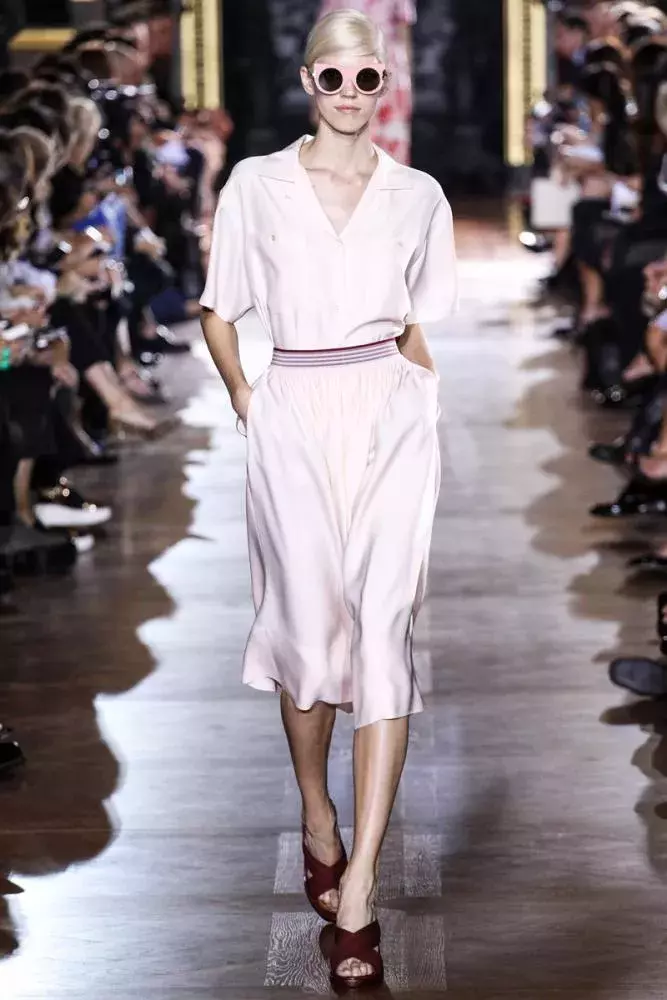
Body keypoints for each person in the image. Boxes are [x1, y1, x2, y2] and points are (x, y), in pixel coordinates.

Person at [200, 8, 456, 991]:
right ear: (308, 82)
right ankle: (317, 810)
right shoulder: (254, 185)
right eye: (333, 77)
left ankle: (359, 890)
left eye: (366, 78)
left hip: (388, 413)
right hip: (294, 410)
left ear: (385, 84)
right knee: (308, 640)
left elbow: (416, 321)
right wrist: (245, 396)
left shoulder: (417, 195)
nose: (350, 94)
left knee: (382, 634)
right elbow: (220, 310)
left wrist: (424, 400)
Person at [317, 0, 417, 164]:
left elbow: (403, 34)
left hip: (391, 73)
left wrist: (408, 83)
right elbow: (325, 36)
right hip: (350, 67)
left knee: (392, 137)